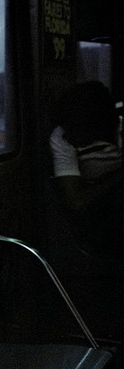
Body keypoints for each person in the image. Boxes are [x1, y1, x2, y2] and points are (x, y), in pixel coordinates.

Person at [48, 81, 123, 255]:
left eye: (76, 130)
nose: (70, 136)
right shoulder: (62, 138)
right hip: (96, 213)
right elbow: (76, 201)